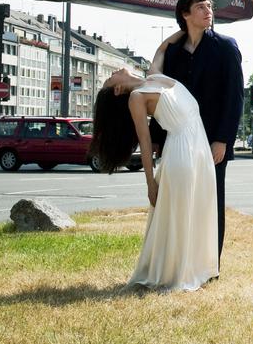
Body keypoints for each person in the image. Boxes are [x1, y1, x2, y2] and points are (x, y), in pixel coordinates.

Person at [92, 64, 218, 293]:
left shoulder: (153, 77)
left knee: (195, 211)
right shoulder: (136, 98)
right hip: (181, 154)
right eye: (109, 79)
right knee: (178, 215)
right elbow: (145, 143)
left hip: (199, 152)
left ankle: (192, 270)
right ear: (118, 89)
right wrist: (150, 184)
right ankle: (173, 274)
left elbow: (163, 48)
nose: (112, 73)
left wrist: (182, 34)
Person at [149, 0, 244, 260]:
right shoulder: (174, 53)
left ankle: (210, 263)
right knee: (181, 200)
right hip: (178, 137)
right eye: (201, 7)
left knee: (211, 201)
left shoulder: (226, 47)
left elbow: (235, 97)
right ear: (185, 14)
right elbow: (162, 96)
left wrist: (223, 139)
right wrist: (156, 137)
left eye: (209, 6)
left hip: (213, 140)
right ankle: (184, 260)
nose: (208, 11)